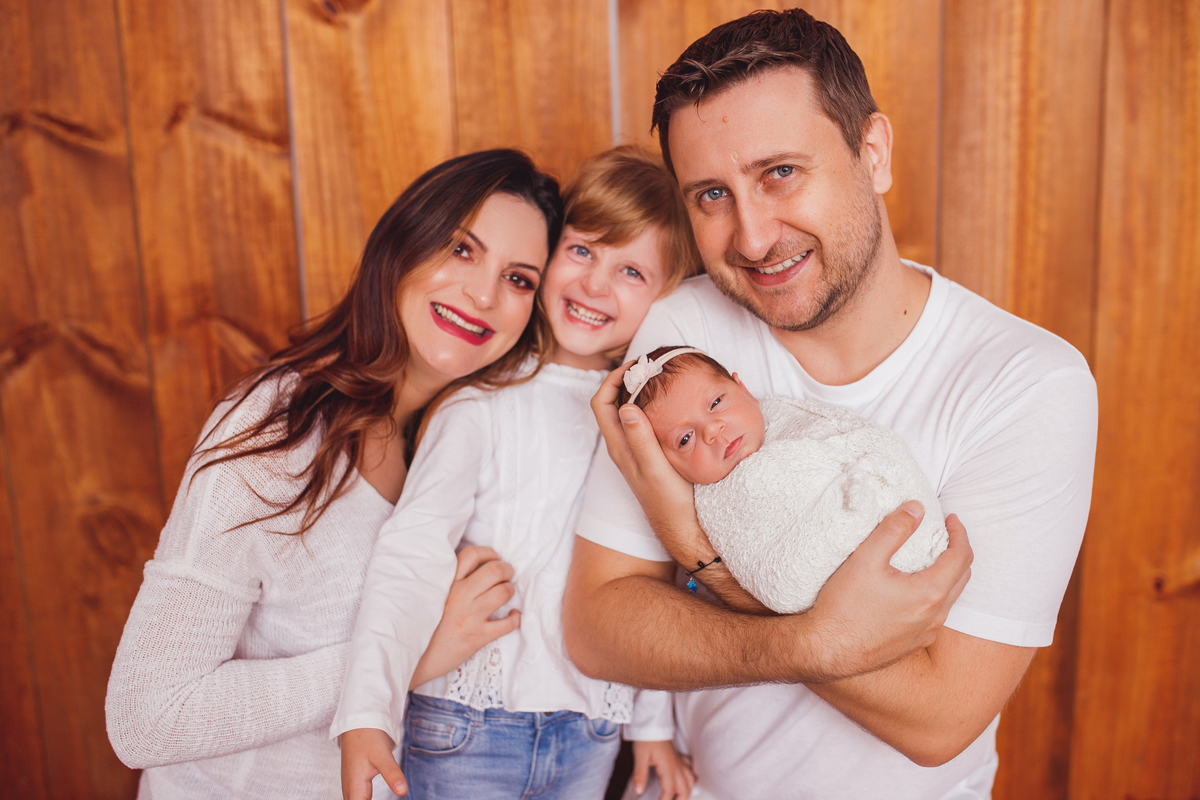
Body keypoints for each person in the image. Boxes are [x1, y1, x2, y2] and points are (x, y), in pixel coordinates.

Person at [562, 9, 1097, 800]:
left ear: (871, 153)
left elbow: (940, 721)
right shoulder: (685, 332)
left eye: (780, 173)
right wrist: (819, 638)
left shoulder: (1027, 382)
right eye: (711, 195)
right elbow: (597, 628)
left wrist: (706, 560)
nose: (750, 236)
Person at [105, 149, 562, 799]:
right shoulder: (273, 430)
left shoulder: (452, 440)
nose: (484, 294)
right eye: (462, 250)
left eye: (519, 279)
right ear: (403, 244)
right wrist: (402, 659)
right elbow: (147, 718)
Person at [333, 146, 699, 800]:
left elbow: (652, 579)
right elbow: (407, 557)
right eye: (583, 251)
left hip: (591, 730)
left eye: (631, 272)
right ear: (551, 252)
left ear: (666, 297)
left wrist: (652, 725)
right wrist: (367, 714)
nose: (593, 285)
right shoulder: (480, 408)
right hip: (466, 726)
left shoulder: (644, 426)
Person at [616, 345, 946, 614]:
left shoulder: (790, 418)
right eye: (685, 439)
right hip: (843, 587)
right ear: (666, 465)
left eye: (716, 403)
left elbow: (869, 442)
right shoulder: (715, 504)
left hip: (916, 537)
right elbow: (776, 582)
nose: (713, 430)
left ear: (742, 388)